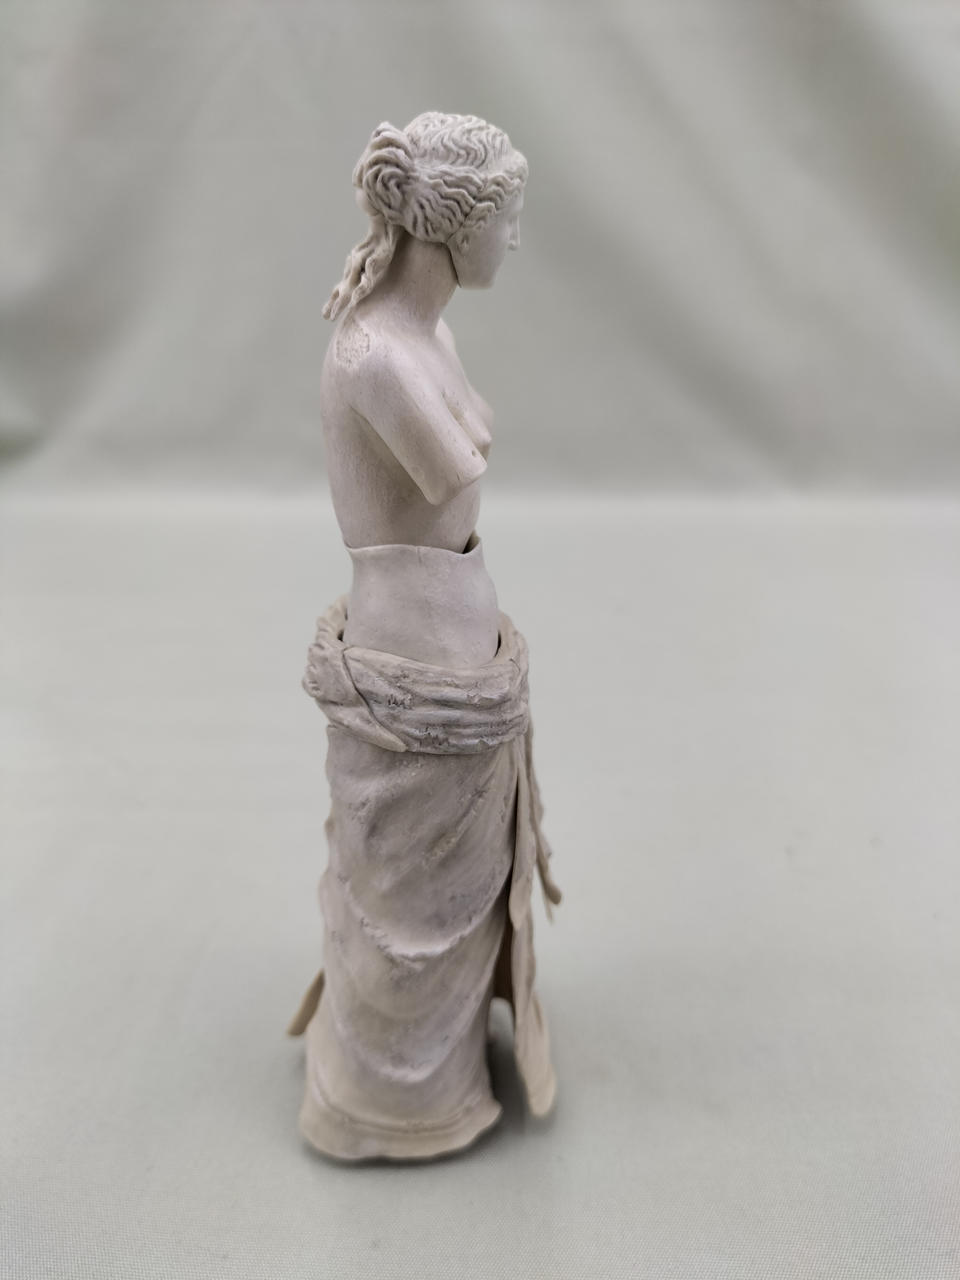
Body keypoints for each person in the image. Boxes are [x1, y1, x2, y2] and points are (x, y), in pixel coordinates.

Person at [290, 112, 560, 1161]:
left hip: (457, 660)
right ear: (455, 221)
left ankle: (442, 1076)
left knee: (446, 898)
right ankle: (389, 1106)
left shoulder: (431, 339)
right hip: (411, 664)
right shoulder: (375, 359)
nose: (516, 239)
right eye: (508, 216)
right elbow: (451, 477)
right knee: (406, 908)